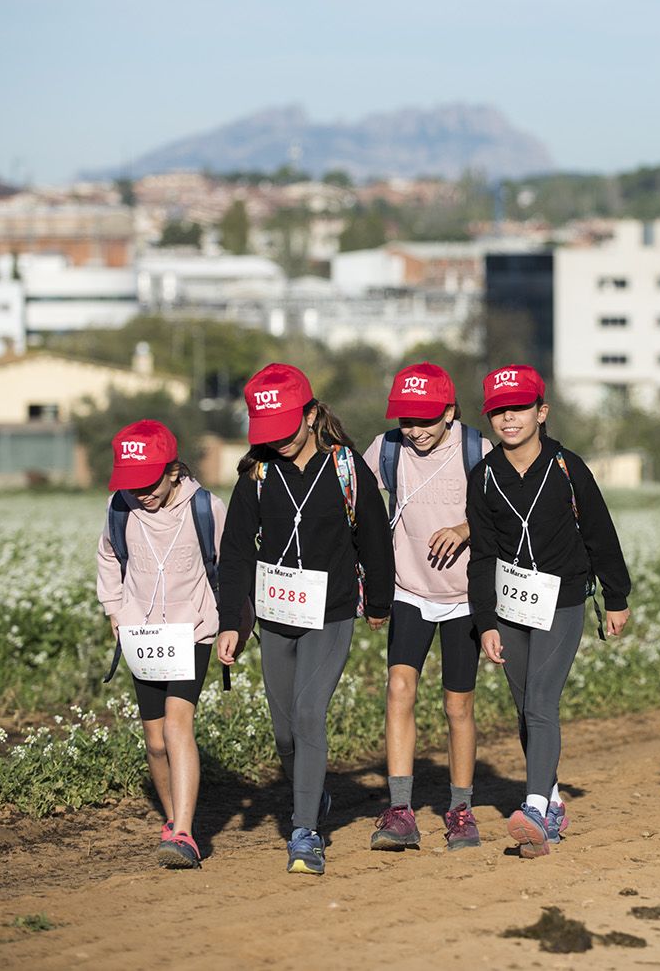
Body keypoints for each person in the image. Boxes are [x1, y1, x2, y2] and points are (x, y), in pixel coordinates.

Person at [216, 364, 394, 876]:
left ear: (313, 415)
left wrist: (378, 603)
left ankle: (304, 832)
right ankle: (312, 800)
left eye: (287, 431)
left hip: (330, 612)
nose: (280, 443)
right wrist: (234, 620)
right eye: (267, 435)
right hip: (274, 615)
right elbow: (235, 555)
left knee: (310, 712)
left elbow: (374, 540)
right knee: (285, 730)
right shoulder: (257, 473)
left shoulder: (346, 468)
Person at [466, 364, 632, 858]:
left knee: (540, 700)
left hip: (562, 599)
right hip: (509, 603)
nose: (508, 418)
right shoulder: (484, 476)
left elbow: (600, 533)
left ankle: (535, 804)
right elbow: (482, 556)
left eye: (519, 408)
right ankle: (554, 800)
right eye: (498, 411)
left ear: (542, 412)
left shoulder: (567, 467)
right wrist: (485, 623)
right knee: (526, 707)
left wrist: (616, 598)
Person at [364, 362, 491, 852]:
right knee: (400, 689)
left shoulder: (476, 450)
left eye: (425, 420)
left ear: (450, 413)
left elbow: (501, 516)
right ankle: (400, 810)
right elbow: (350, 493)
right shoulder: (388, 449)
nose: (414, 431)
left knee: (458, 704)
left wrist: (463, 531)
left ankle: (460, 809)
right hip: (408, 590)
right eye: (406, 421)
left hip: (463, 599)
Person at [96, 419, 224, 870]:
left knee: (176, 725)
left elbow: (231, 567)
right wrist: (115, 610)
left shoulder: (206, 507)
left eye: (149, 482)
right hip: (141, 635)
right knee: (154, 741)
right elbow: (109, 557)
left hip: (193, 631)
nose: (141, 493)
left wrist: (234, 625)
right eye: (132, 484)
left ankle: (186, 833)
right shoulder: (120, 508)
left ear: (173, 470)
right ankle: (174, 819)